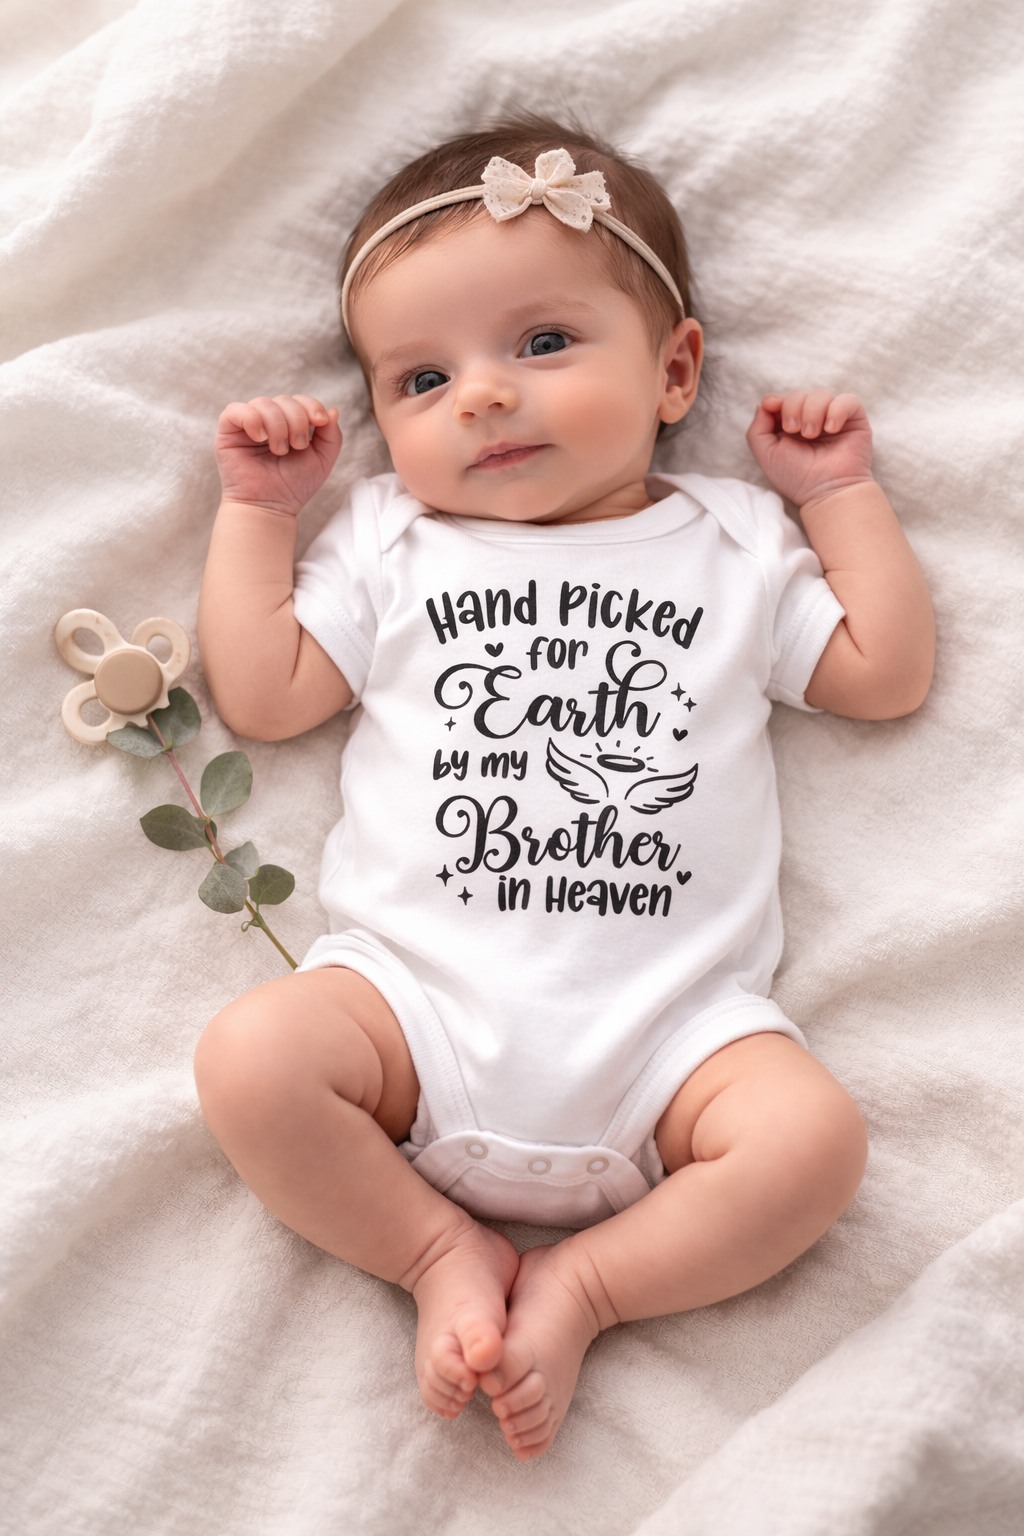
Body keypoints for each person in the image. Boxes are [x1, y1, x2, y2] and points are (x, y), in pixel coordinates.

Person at [193, 118, 935, 1460]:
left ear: (675, 369)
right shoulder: (391, 538)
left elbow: (882, 673)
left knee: (814, 1145)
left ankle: (588, 1288)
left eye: (540, 344)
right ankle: (437, 1254)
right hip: (411, 1014)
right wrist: (260, 514)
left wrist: (838, 497)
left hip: (676, 1041)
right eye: (420, 379)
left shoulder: (733, 541)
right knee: (251, 1058)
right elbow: (266, 695)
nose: (480, 395)